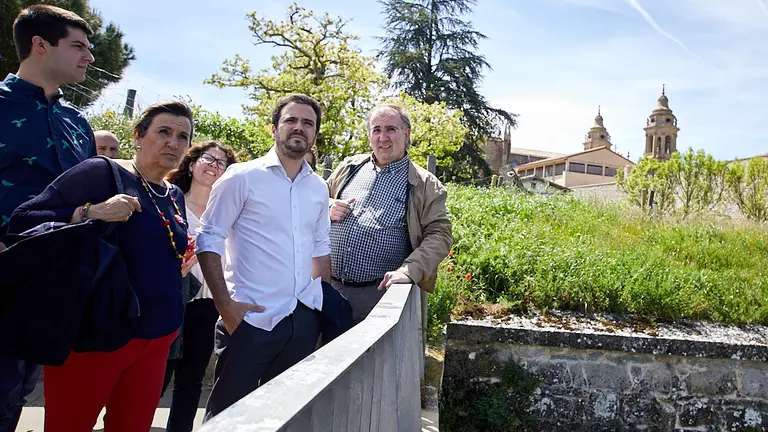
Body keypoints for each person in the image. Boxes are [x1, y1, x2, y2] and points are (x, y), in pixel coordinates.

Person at [9, 100, 196, 432]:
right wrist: (90, 211)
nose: (173, 143)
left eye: (183, 137)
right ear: (139, 135)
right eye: (163, 131)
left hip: (158, 339)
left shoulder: (175, 195)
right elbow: (24, 219)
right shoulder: (102, 172)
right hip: (97, 336)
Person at [196, 94, 330, 420]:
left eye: (308, 123)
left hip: (301, 322)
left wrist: (319, 308)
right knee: (227, 418)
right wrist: (224, 305)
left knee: (283, 417)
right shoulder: (241, 177)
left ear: (314, 134)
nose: (299, 127)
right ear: (274, 128)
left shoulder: (318, 187)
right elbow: (208, 237)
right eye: (291, 120)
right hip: (249, 320)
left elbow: (320, 247)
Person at [0, 5, 95, 431]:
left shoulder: (77, 122)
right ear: (39, 45)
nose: (89, 57)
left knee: (16, 396)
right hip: (5, 272)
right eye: (77, 46)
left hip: (54, 282)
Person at [326, 103, 452, 323]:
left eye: (391, 129)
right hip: (327, 286)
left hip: (376, 295)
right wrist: (328, 206)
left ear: (406, 134)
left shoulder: (424, 184)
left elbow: (440, 236)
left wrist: (409, 270)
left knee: (367, 356)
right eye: (376, 130)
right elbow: (313, 199)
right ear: (369, 136)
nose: (383, 137)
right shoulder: (349, 167)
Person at [162, 141, 236, 432]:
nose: (214, 165)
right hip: (172, 302)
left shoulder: (229, 212)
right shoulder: (171, 202)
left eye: (222, 163)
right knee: (157, 376)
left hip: (208, 305)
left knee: (191, 381)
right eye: (208, 158)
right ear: (191, 163)